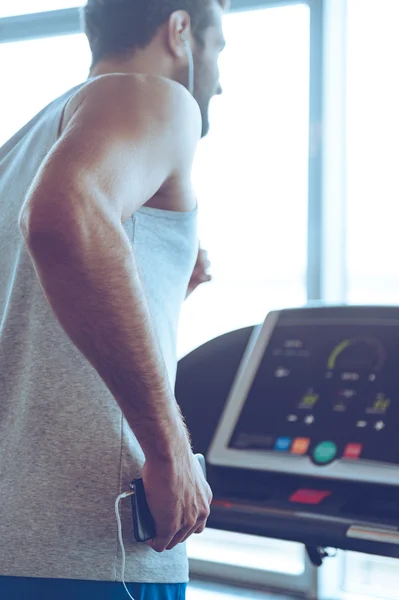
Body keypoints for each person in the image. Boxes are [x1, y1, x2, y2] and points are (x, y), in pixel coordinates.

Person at [0, 0, 227, 598]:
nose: (221, 80)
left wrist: (165, 286)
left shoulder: (20, 149)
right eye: (219, 48)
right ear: (180, 30)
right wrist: (168, 444)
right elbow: (64, 216)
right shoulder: (155, 95)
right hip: (90, 551)